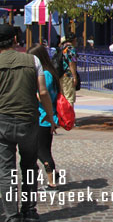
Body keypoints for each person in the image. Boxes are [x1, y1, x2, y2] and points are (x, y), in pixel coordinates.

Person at [0, 24, 57, 222]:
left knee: (5, 171)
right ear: (15, 40)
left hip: (3, 121)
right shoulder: (32, 60)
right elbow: (43, 92)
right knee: (29, 166)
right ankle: (29, 210)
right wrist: (50, 117)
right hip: (29, 120)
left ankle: (11, 215)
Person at [28, 44, 62, 191]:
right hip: (47, 117)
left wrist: (30, 92)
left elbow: (44, 95)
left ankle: (51, 182)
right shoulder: (50, 72)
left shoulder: (46, 75)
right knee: (43, 148)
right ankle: (53, 175)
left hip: (44, 117)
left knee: (41, 151)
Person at [59, 32, 78, 105]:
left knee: (62, 96)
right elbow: (71, 63)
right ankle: (68, 115)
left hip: (60, 74)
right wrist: (74, 76)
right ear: (73, 40)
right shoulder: (71, 49)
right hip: (68, 75)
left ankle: (62, 115)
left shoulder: (62, 48)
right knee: (69, 98)